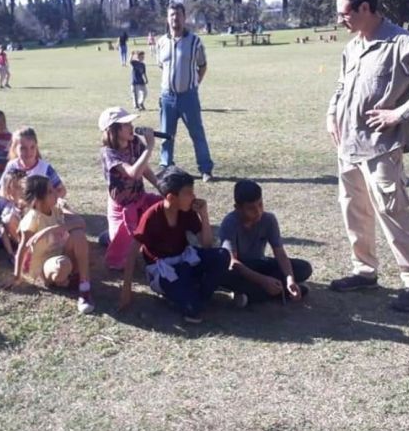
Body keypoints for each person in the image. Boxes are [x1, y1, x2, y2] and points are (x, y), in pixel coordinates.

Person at [326, 0, 409, 312]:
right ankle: (364, 271)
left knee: (394, 215)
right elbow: (342, 87)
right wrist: (331, 114)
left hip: (381, 148)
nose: (340, 20)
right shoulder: (352, 46)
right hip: (348, 146)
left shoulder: (401, 42)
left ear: (365, 7)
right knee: (354, 212)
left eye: (344, 14)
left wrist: (400, 112)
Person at [120, 167, 231, 324]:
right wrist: (126, 290)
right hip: (164, 270)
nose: (193, 197)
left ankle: (198, 296)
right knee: (193, 313)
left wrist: (204, 215)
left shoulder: (186, 211)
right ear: (171, 197)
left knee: (222, 255)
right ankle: (191, 297)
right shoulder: (152, 216)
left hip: (185, 260)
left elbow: (206, 244)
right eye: (188, 193)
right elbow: (132, 252)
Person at [4, 175, 95, 314]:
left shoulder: (57, 208)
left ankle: (84, 288)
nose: (56, 192)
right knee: (62, 265)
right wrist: (17, 275)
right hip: (47, 264)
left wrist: (52, 229)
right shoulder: (32, 219)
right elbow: (22, 248)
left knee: (78, 234)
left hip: (62, 252)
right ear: (38, 200)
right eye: (50, 191)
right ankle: (65, 278)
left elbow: (81, 223)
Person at [218, 180, 312, 307]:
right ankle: (275, 290)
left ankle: (250, 296)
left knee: (304, 268)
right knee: (224, 276)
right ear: (238, 208)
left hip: (260, 263)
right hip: (240, 269)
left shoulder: (269, 219)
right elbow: (233, 262)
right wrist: (263, 281)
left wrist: (290, 279)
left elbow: (279, 252)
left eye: (260, 204)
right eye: (251, 208)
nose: (258, 211)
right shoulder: (230, 223)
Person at [157, 2, 215, 183]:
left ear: (184, 17)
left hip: (188, 97)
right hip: (167, 97)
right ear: (168, 18)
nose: (175, 18)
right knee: (166, 135)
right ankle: (166, 166)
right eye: (172, 15)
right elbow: (162, 66)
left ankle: (205, 169)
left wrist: (194, 84)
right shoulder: (161, 43)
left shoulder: (195, 41)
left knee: (197, 133)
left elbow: (202, 65)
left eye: (178, 15)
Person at [98, 107, 161, 270]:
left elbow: (143, 168)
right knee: (121, 264)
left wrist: (159, 185)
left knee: (164, 205)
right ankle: (110, 237)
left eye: (131, 123)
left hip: (140, 198)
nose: (132, 126)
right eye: (126, 124)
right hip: (122, 207)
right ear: (114, 129)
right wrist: (150, 147)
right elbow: (133, 173)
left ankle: (117, 236)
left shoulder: (135, 143)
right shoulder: (109, 152)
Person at [4, 127, 67, 199]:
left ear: (36, 147)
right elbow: (3, 190)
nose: (28, 152)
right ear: (15, 148)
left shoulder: (45, 168)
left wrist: (46, 202)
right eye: (23, 148)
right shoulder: (12, 166)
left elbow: (62, 190)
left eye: (32, 147)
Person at [0, 168, 26, 262]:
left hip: (30, 236)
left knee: (10, 219)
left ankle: (25, 251)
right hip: (15, 237)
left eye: (17, 187)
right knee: (3, 226)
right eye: (8, 187)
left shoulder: (29, 203)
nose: (11, 191)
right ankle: (11, 254)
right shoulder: (6, 204)